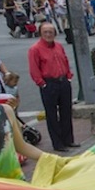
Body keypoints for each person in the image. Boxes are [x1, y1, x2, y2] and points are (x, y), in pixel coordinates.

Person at [27, 22, 76, 152]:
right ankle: (58, 143)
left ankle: (68, 140)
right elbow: (34, 69)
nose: (48, 34)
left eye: (51, 32)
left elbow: (65, 61)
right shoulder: (35, 49)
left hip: (63, 81)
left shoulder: (59, 46)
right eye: (45, 32)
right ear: (41, 34)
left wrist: (69, 76)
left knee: (66, 111)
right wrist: (42, 84)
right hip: (49, 84)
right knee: (52, 115)